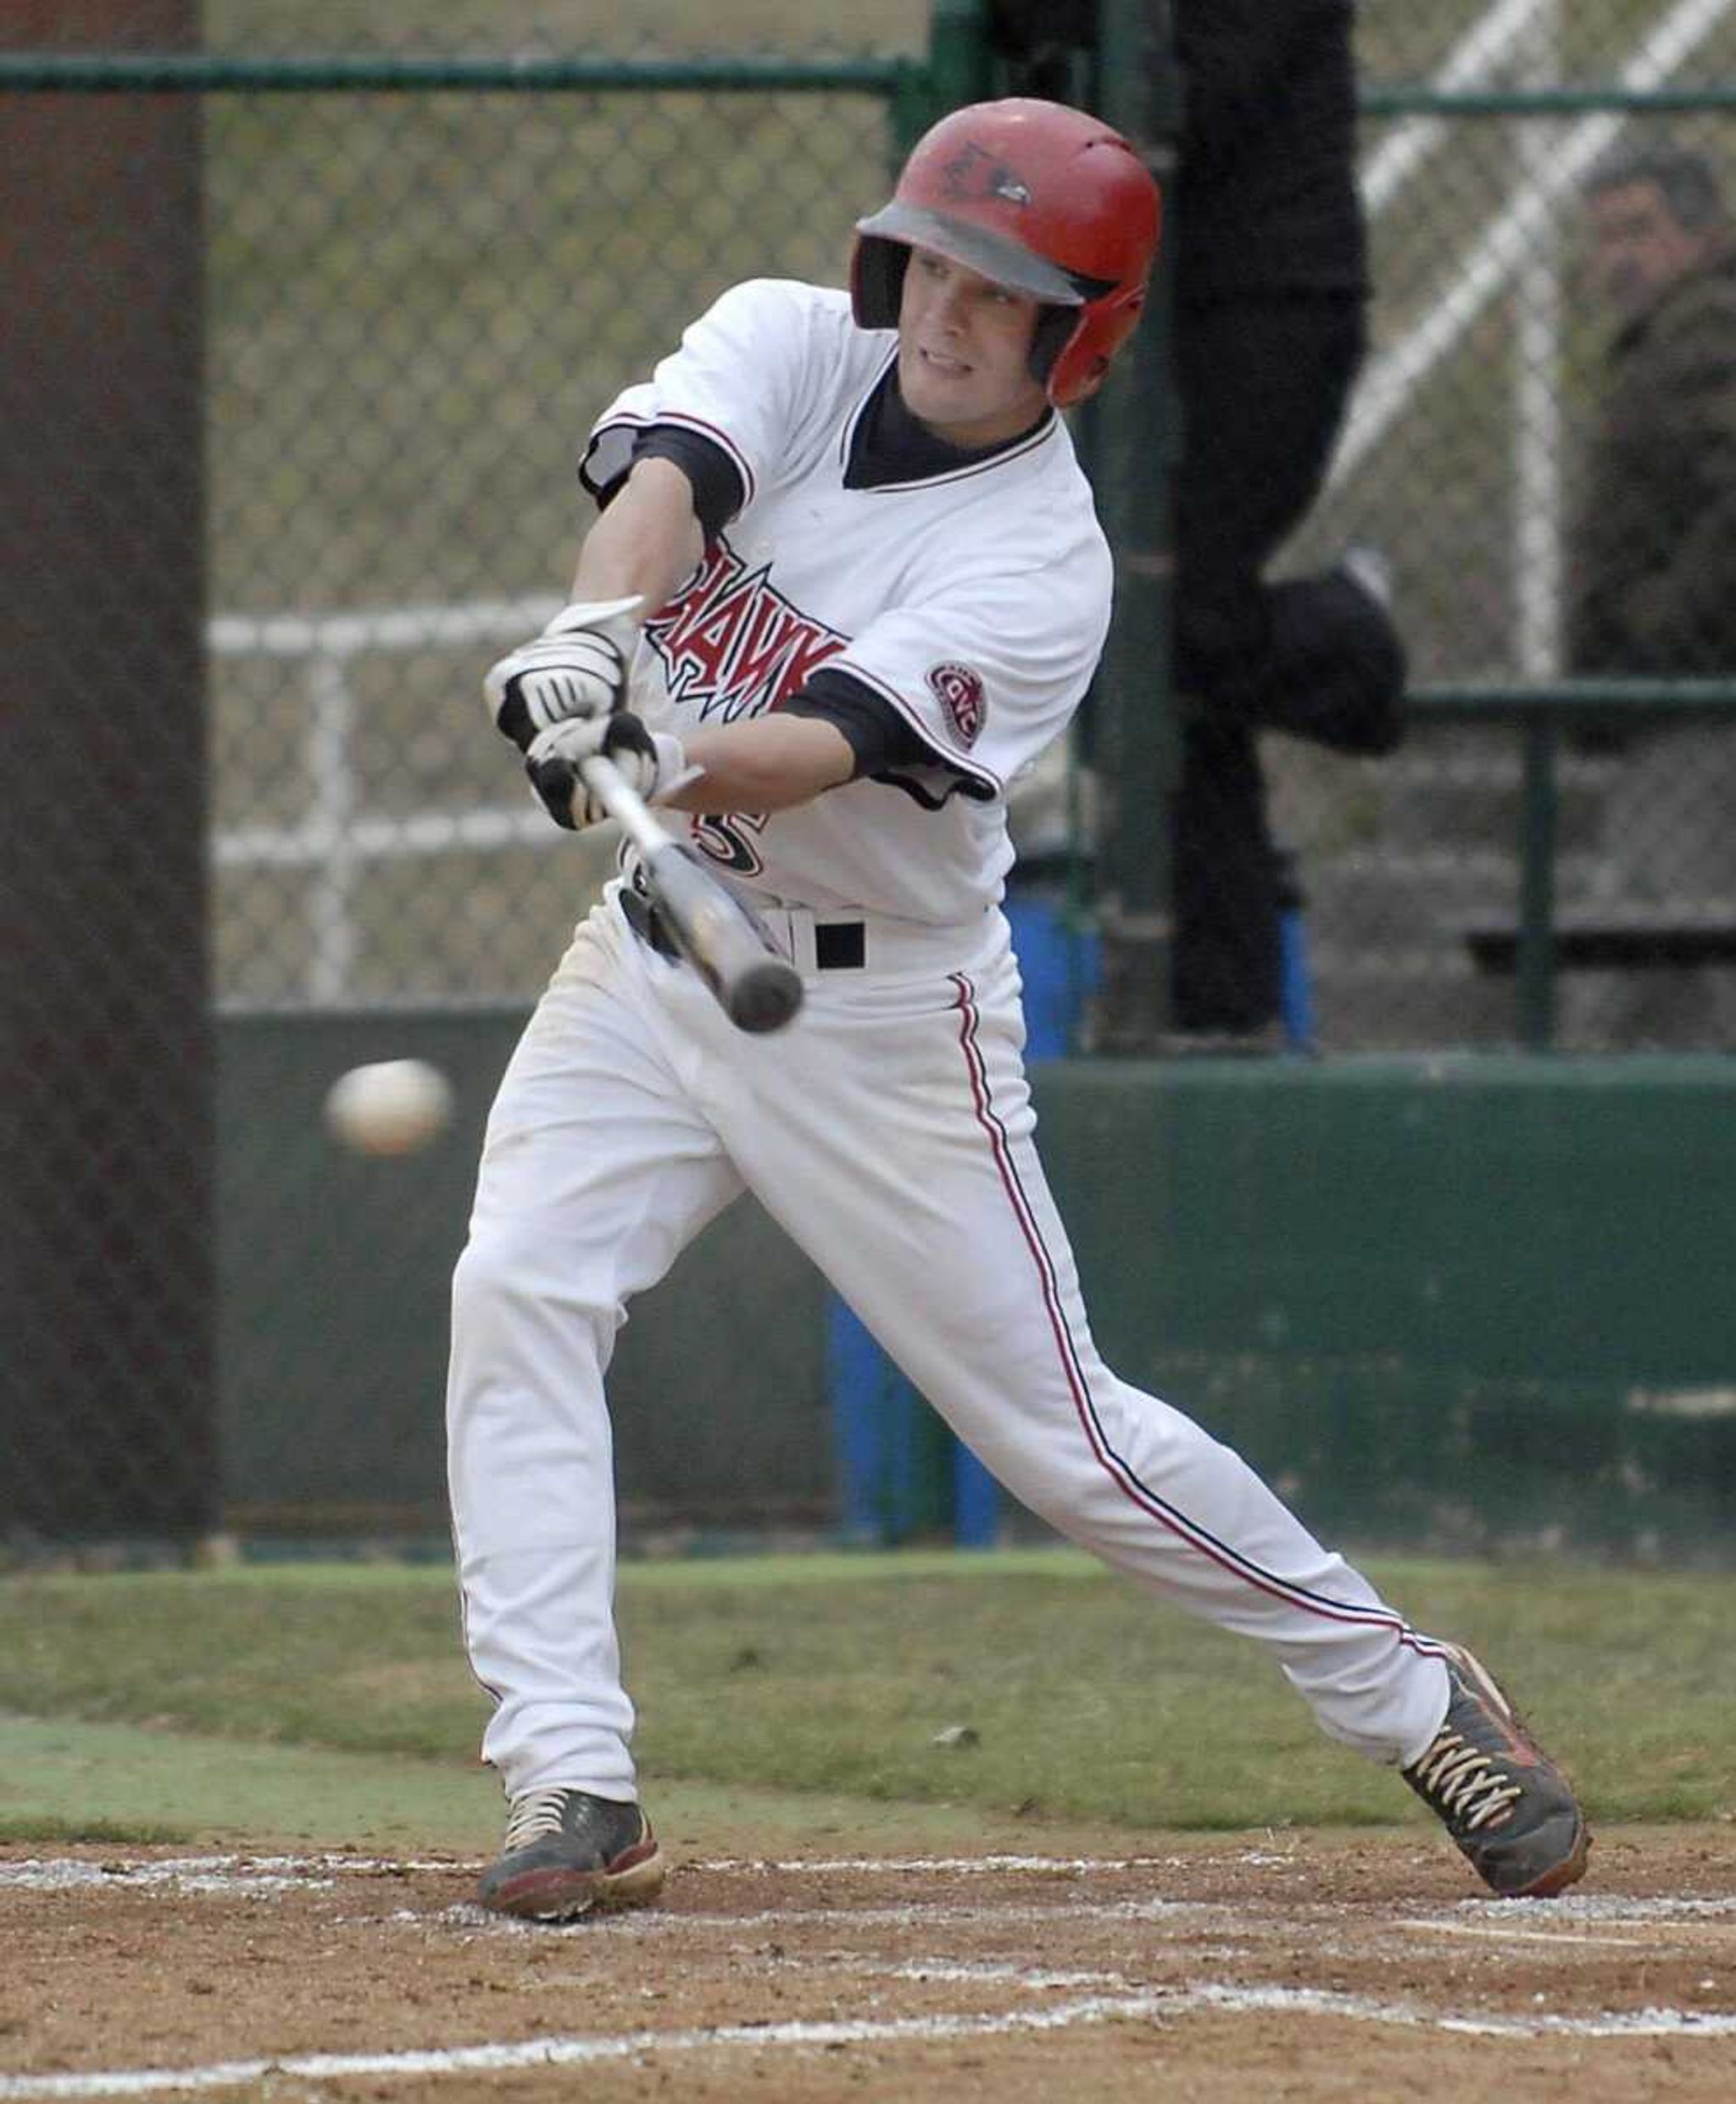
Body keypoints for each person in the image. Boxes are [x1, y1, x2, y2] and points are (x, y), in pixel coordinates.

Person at [446, 97, 1589, 1923]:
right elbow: (667, 489)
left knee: (1064, 1440)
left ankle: (1409, 1689)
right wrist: (594, 638)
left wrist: (659, 738)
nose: (953, 310)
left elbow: (830, 738)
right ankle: (568, 1774)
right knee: (516, 1285)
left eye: (1008, 291)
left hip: (885, 1025)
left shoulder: (1042, 564)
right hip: (674, 942)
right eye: (935, 263)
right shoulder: (792, 339)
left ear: (1086, 339)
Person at [1164, 0, 1407, 1042]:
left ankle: (1347, 641)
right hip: (1156, 302)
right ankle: (1216, 1002)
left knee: (1171, 629)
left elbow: (1186, 95)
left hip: (1269, 303)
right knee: (1164, 684)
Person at [1566, 137, 1736, 1047]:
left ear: (1698, 231)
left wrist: (1652, 632)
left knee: (1686, 931)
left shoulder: (1706, 329)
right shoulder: (1674, 334)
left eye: (1637, 230)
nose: (1616, 258)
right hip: (1664, 702)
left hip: (1692, 707)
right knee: (1630, 935)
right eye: (1603, 237)